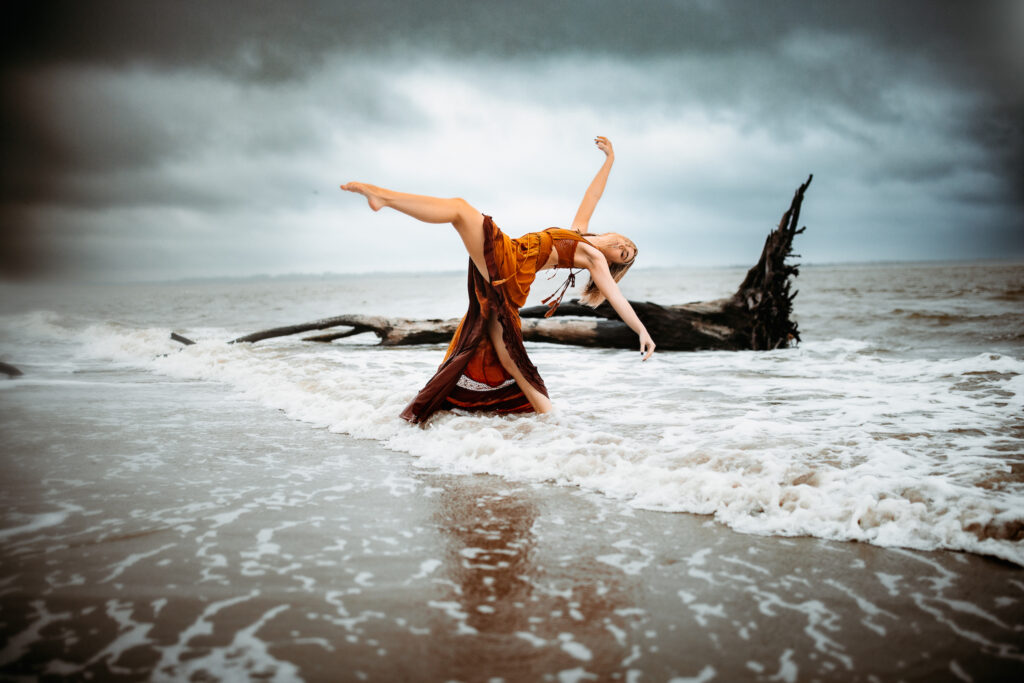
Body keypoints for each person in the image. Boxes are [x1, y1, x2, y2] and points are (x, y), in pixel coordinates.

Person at [341, 136, 655, 424]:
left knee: (460, 210)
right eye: (625, 244)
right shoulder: (580, 234)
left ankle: (382, 197)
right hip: (512, 263)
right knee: (505, 346)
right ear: (615, 235)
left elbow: (615, 296)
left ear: (615, 264)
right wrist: (609, 161)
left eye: (625, 256)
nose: (622, 249)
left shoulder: (595, 259)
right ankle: (551, 419)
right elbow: (593, 195)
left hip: (513, 266)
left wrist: (640, 329)